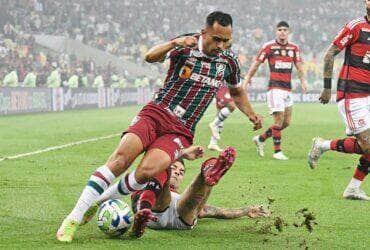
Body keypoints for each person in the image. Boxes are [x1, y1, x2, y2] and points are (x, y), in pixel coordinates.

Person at [56, 11, 262, 243]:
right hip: (156, 113)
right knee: (120, 160)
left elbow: (236, 92)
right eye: (217, 39)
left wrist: (251, 114)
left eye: (226, 40)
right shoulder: (186, 45)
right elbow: (150, 57)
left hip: (181, 130)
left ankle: (100, 200)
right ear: (204, 32)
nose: (221, 45)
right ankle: (74, 217)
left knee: (147, 171)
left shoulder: (229, 61)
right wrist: (173, 42)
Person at [308, 0, 370, 200]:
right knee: (368, 146)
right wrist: (327, 87)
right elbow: (329, 55)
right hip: (353, 94)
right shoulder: (355, 27)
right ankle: (322, 145)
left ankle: (353, 188)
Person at [133, 147, 269, 234]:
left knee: (194, 202)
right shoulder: (147, 185)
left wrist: (247, 210)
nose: (178, 173)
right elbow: (135, 199)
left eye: (181, 172)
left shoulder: (179, 196)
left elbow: (213, 211)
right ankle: (205, 171)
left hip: (181, 217)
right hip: (154, 209)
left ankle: (208, 172)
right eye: (174, 168)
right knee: (162, 174)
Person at [244, 21, 308, 160]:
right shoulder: (269, 46)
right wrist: (248, 77)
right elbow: (256, 63)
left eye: (285, 29)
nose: (282, 32)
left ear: (289, 32)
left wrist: (303, 80)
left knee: (286, 123)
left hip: (287, 89)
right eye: (280, 29)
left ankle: (260, 139)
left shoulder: (294, 48)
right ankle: (277, 152)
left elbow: (299, 66)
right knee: (278, 122)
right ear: (276, 31)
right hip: (275, 89)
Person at [208, 42, 236, 152]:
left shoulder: (229, 55)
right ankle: (213, 124)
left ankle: (213, 143)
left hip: (225, 85)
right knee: (232, 106)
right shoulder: (216, 54)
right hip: (219, 85)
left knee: (220, 115)